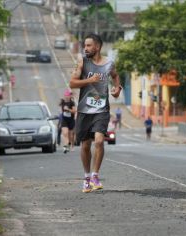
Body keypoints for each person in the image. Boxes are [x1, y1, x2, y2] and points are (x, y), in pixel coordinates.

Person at [69, 33, 122, 193]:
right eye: (85, 46)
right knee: (85, 145)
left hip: (101, 109)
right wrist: (89, 81)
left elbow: (115, 76)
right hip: (85, 110)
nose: (85, 48)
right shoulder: (82, 62)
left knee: (99, 141)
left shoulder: (109, 63)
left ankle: (95, 175)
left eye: (89, 46)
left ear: (97, 47)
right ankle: (86, 178)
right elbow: (72, 83)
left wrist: (117, 89)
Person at [59, 89, 76, 153]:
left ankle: (72, 146)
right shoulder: (62, 102)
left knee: (71, 135)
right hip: (64, 120)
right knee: (65, 133)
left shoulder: (72, 103)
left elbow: (74, 111)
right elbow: (61, 108)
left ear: (69, 96)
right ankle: (65, 147)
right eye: (65, 95)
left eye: (67, 95)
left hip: (71, 120)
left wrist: (68, 110)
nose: (66, 97)